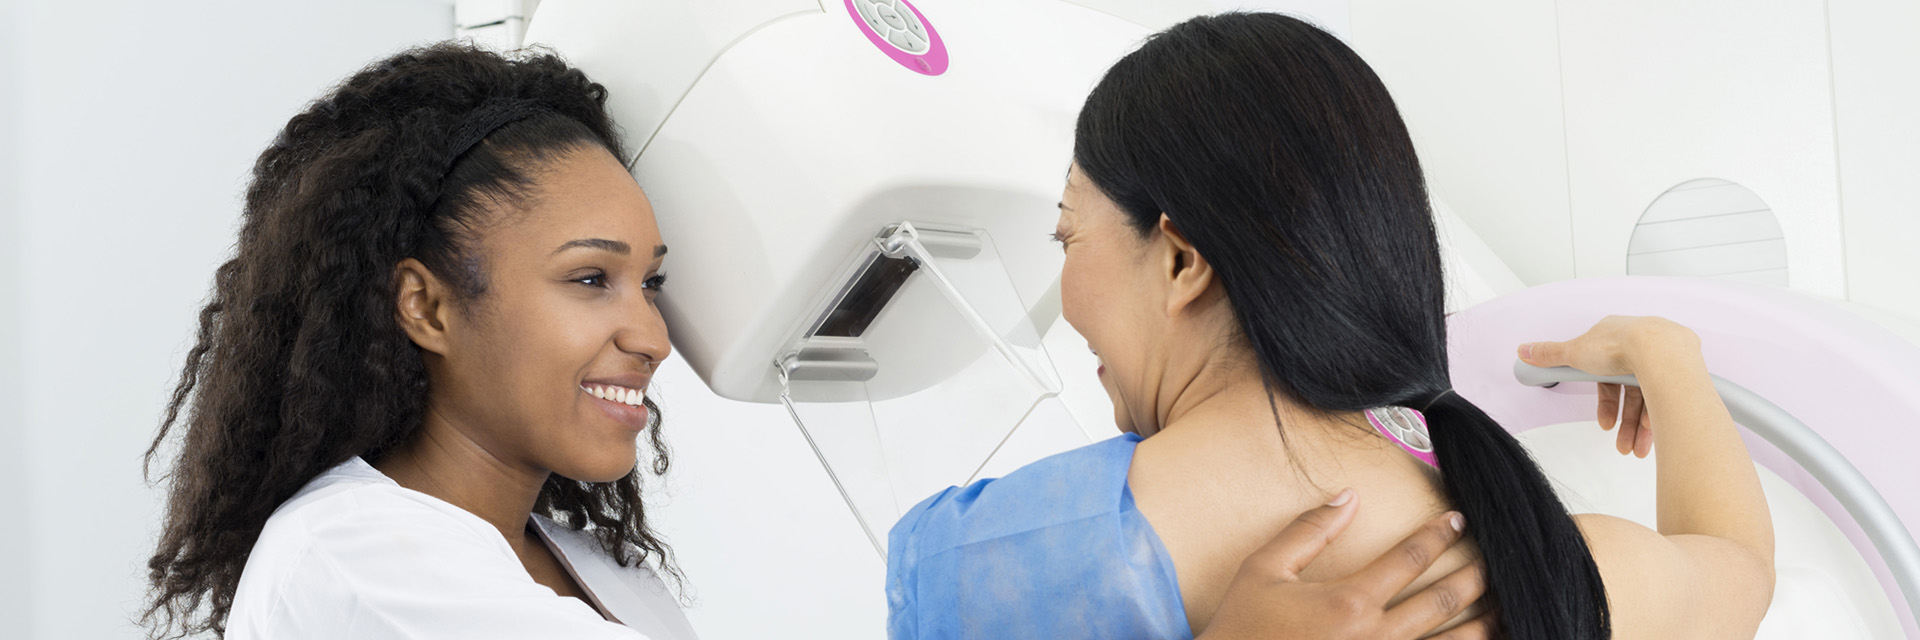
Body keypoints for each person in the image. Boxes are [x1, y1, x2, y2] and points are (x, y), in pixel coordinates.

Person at [140, 42, 1496, 640]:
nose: (651, 333)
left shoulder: (576, 557)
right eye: (592, 279)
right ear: (428, 304)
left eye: (654, 280)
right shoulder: (358, 563)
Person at [885, 12, 1777, 640]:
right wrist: (1668, 357)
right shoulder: (1561, 570)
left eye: (1067, 233)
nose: (1065, 283)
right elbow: (1740, 572)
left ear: (1181, 260)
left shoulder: (993, 564)